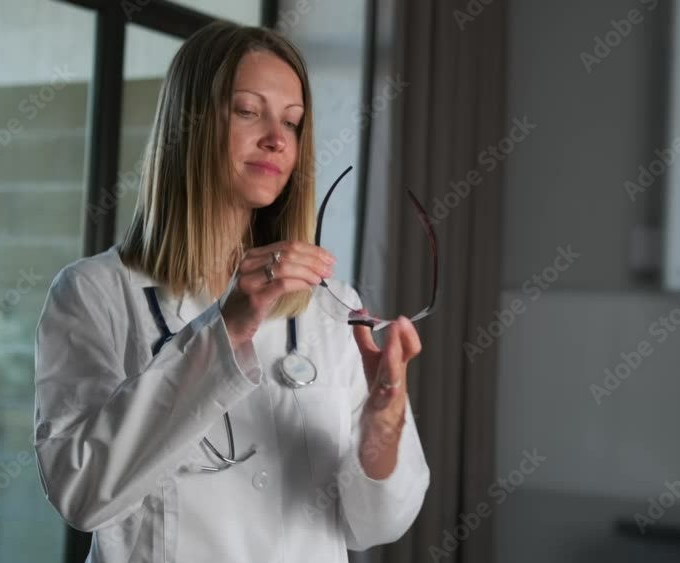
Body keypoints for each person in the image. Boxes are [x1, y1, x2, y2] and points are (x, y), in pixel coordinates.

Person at [32, 21, 429, 562]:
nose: (277, 138)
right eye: (248, 111)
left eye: (293, 123)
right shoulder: (95, 293)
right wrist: (227, 329)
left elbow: (375, 524)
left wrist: (383, 423)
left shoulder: (331, 305)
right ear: (189, 122)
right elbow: (80, 493)